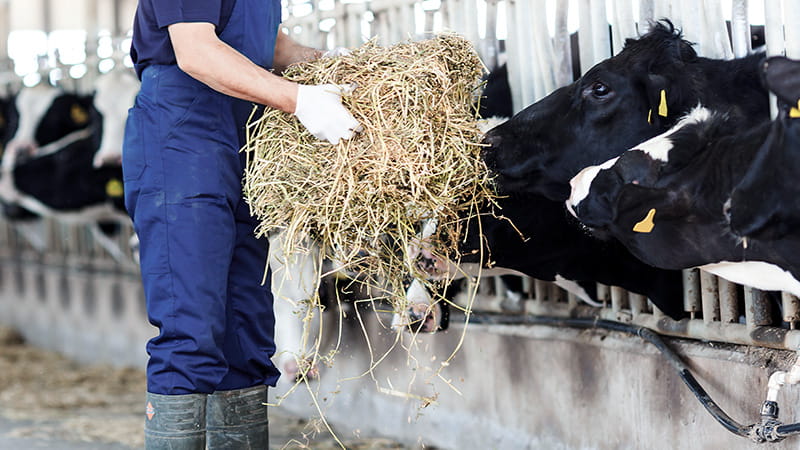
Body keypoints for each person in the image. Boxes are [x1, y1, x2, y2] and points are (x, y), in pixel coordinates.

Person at [123, 1, 360, 448]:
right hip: (182, 139)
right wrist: (298, 99)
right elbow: (196, 51)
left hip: (245, 138)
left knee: (247, 330)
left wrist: (336, 66)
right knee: (191, 330)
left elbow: (264, 43)